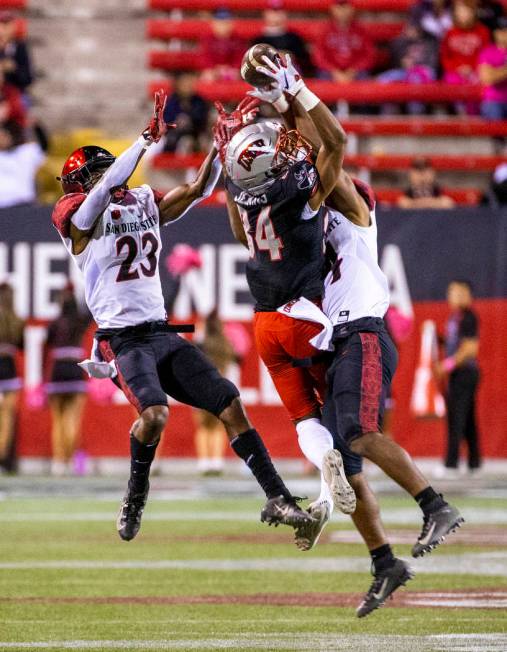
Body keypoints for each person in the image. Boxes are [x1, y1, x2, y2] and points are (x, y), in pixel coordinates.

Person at [246, 56, 464, 617]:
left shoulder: (356, 215)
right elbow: (299, 164)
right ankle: (384, 562)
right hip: (338, 340)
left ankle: (435, 504)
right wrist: (274, 114)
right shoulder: (306, 218)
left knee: (360, 433)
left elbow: (330, 150)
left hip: (362, 332)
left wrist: (295, 91)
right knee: (346, 464)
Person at [51, 90, 311, 541]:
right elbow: (97, 199)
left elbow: (198, 190)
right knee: (154, 416)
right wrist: (141, 143)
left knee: (229, 402)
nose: (110, 180)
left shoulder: (141, 201)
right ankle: (135, 493)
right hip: (123, 339)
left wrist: (221, 148)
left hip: (160, 333)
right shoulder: (75, 217)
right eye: (101, 174)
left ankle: (279, 498)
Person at [217, 80, 357, 553]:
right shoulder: (296, 191)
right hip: (304, 317)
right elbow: (334, 146)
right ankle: (342, 465)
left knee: (303, 420)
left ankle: (324, 485)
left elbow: (240, 229)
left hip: (265, 326)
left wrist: (228, 168)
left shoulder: (243, 190)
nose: (285, 148)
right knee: (342, 401)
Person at [434, 280, 481, 474]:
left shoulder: (469, 317)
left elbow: (470, 349)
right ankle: (474, 462)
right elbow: (454, 343)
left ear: (466, 294)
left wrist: (447, 365)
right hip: (458, 374)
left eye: (456, 292)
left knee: (456, 417)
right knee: (468, 418)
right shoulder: (455, 317)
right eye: (451, 292)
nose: (452, 296)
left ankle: (451, 463)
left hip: (465, 373)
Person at [45, 284, 91, 476]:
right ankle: (70, 461)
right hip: (75, 369)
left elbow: (47, 346)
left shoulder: (54, 324)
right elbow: (90, 306)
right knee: (73, 419)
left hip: (58, 370)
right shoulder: (80, 321)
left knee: (58, 420)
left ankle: (58, 462)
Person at [193, 310, 237, 476]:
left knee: (203, 427)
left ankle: (204, 461)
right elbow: (235, 361)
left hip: (201, 389)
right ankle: (217, 461)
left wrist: (199, 331)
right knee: (218, 426)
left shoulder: (201, 345)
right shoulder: (225, 344)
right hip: (221, 388)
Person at [440, 0, 490, 114]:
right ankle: (459, 115)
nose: (463, 14)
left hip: (476, 70)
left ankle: (473, 116)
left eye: (466, 11)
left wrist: (473, 68)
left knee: (475, 83)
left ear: (473, 12)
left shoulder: (483, 31)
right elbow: (445, 57)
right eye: (460, 11)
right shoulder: (450, 32)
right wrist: (458, 68)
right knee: (452, 82)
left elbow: (485, 55)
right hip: (454, 71)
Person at [312, 0, 378, 82]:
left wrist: (354, 70)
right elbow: (319, 56)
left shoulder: (362, 31)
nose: (343, 11)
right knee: (322, 81)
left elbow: (369, 55)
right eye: (339, 7)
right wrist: (334, 71)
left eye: (346, 7)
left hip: (357, 72)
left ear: (352, 9)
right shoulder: (324, 31)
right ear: (332, 9)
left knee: (365, 80)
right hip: (329, 72)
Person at [251, 0, 314, 76]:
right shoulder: (257, 40)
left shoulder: (295, 38)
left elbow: (307, 65)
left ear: (285, 14)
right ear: (265, 13)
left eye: (279, 11)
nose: (276, 15)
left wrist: (290, 57)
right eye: (273, 11)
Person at [0, 282, 23, 473]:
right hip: (9, 370)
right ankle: (3, 458)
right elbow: (21, 345)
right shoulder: (15, 318)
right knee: (6, 418)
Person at [0, 120, 45, 208]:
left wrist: (37, 128)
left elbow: (44, 147)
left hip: (24, 204)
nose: (2, 139)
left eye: (4, 135)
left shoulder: (27, 151)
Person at [163, 73, 209, 153]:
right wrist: (177, 123)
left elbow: (202, 121)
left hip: (195, 135)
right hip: (174, 137)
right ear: (177, 84)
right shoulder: (171, 101)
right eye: (184, 83)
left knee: (190, 141)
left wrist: (189, 120)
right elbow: (166, 122)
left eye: (189, 83)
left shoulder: (199, 101)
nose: (187, 86)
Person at [200, 9, 246, 82]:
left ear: (231, 24)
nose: (223, 27)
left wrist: (231, 68)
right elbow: (205, 57)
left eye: (226, 23)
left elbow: (239, 57)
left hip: (232, 70)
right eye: (220, 23)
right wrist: (214, 69)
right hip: (213, 70)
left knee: (236, 75)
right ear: (213, 24)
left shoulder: (238, 39)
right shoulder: (207, 38)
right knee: (208, 76)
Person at [478, 15, 507, 120]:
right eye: (501, 30)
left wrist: (498, 72)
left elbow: (492, 75)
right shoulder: (488, 52)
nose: (504, 34)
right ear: (495, 33)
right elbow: (488, 78)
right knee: (493, 110)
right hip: (495, 100)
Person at [0, 11, 32, 92]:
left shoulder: (19, 47)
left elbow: (28, 78)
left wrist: (14, 68)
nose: (2, 31)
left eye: (6, 26)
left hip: (13, 92)